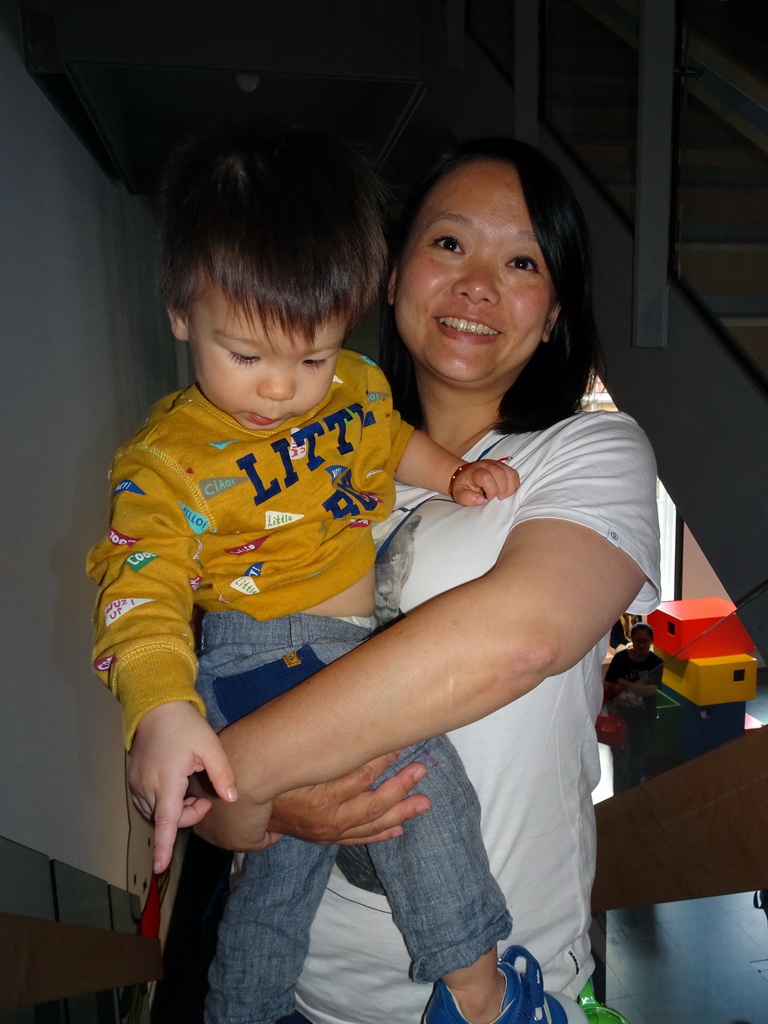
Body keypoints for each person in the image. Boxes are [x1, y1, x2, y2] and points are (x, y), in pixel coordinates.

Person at [179, 135, 663, 1024]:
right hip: (304, 990)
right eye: (448, 244)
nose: (478, 284)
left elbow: (522, 639)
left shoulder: (588, 451)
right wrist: (257, 805)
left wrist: (223, 780)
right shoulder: (301, 456)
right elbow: (220, 698)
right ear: (392, 276)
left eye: (522, 260)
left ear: (554, 311)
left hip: (491, 994)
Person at [87, 121, 527, 1024]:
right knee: (418, 775)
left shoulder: (356, 386)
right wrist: (163, 709)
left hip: (337, 645)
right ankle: (482, 999)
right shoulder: (166, 462)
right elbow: (141, 587)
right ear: (181, 311)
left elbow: (384, 437)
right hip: (262, 657)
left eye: (312, 355)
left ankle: (239, 1009)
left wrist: (448, 472)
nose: (283, 389)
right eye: (245, 356)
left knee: (283, 870)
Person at [605, 621, 664, 793]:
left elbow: (650, 691)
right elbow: (609, 684)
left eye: (645, 641)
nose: (641, 645)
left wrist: (624, 683)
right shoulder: (620, 658)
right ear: (632, 639)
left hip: (643, 718)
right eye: (638, 641)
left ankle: (633, 792)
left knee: (637, 758)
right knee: (620, 758)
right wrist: (637, 687)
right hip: (620, 715)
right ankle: (619, 794)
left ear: (651, 641)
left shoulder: (656, 662)